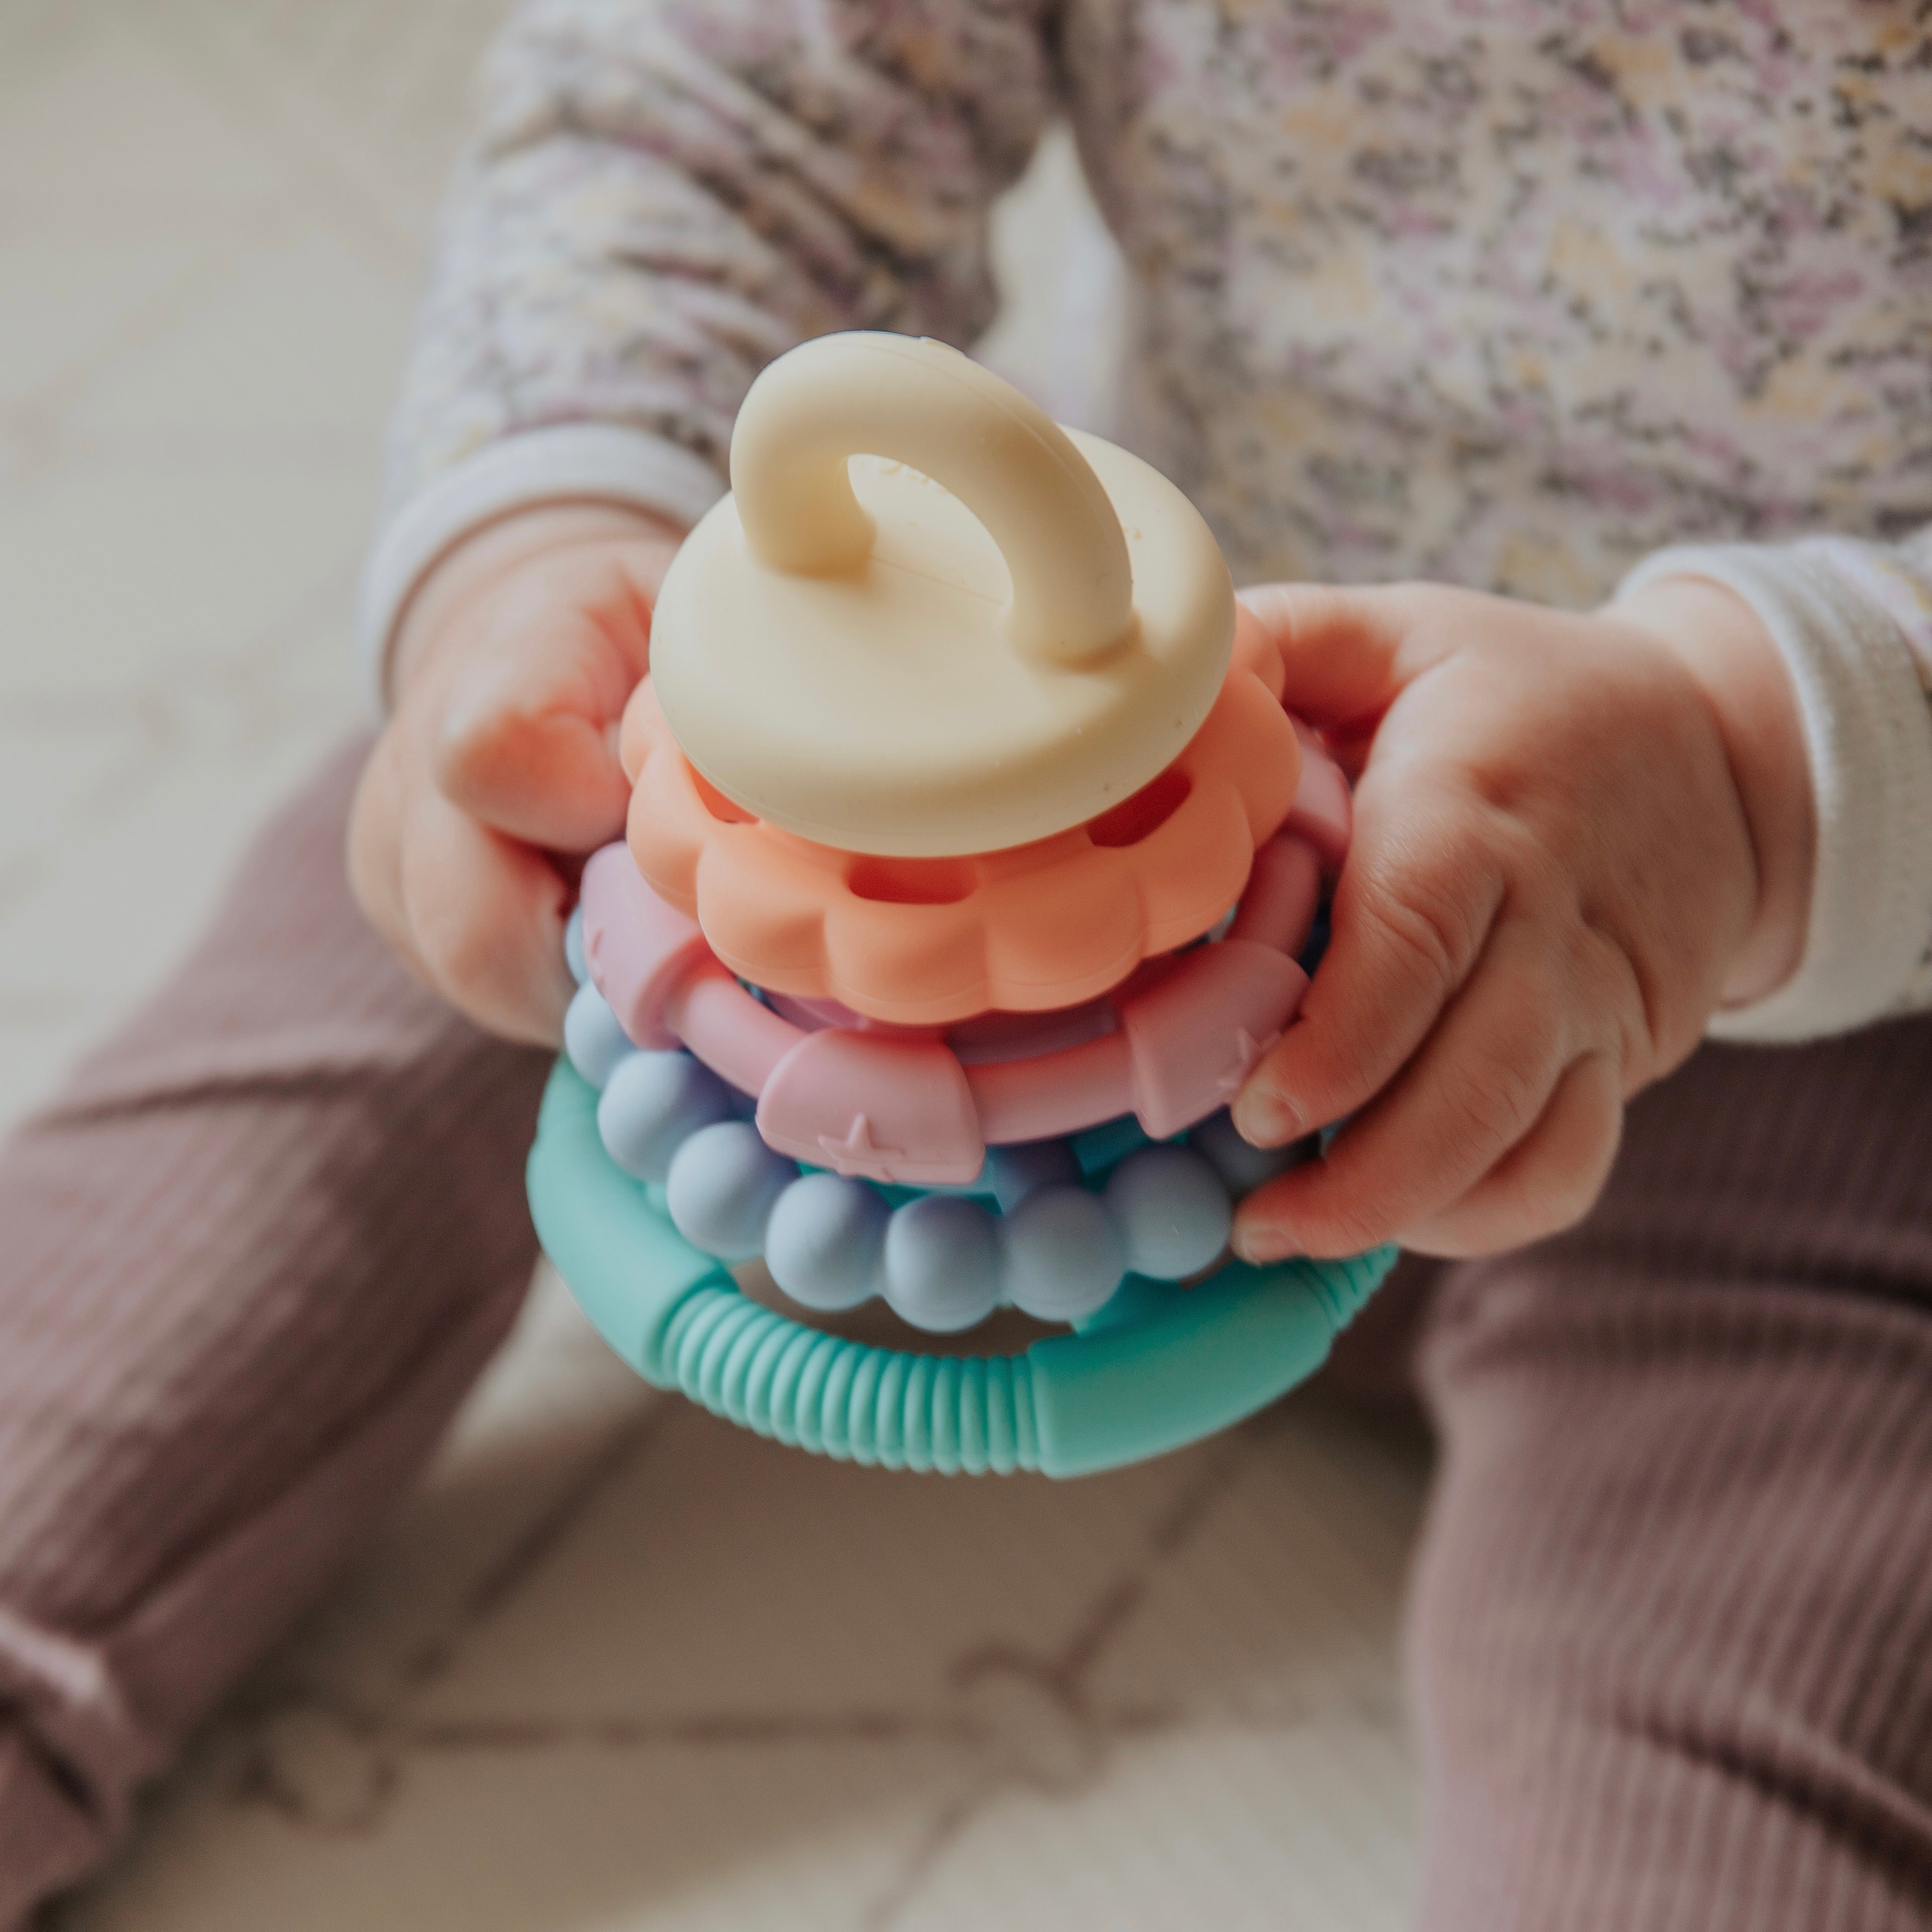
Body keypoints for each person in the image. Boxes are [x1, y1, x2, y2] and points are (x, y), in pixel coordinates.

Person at [7, 3, 1932, 1923]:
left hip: (1800, 1011)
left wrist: (1746, 769)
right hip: (946, 822)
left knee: (1707, 1788)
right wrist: (545, 541)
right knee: (437, 872)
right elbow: (714, 102)